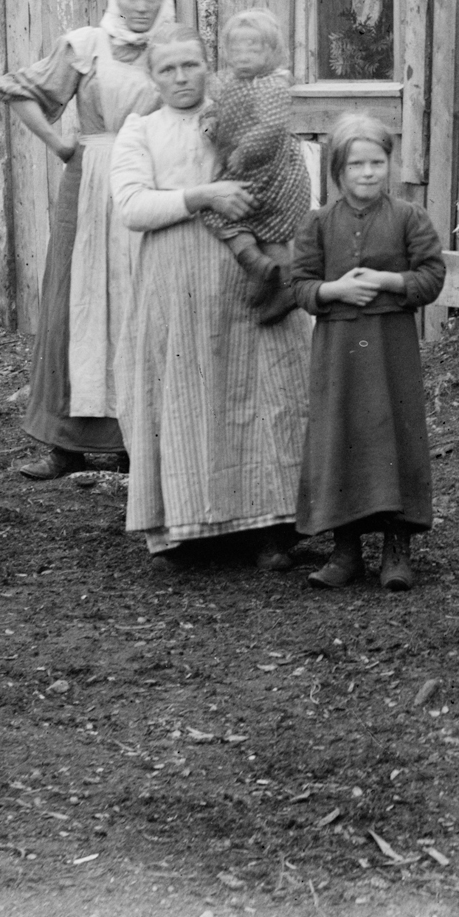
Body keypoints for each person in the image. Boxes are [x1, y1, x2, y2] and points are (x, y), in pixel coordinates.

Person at [110, 33, 313, 568]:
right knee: (188, 398)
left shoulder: (237, 113)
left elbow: (281, 167)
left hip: (247, 274)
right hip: (175, 278)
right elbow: (132, 207)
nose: (181, 78)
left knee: (264, 392)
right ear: (153, 78)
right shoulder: (142, 130)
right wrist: (202, 195)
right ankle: (192, 527)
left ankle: (272, 527)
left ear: (208, 67)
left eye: (191, 65)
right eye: (169, 69)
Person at [0, 0, 173, 481]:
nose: (141, 6)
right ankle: (63, 446)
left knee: (142, 303)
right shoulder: (86, 44)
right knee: (77, 303)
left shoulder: (172, 46)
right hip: (92, 181)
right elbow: (18, 90)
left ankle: (135, 446)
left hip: (150, 182)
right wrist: (60, 143)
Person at [286, 111, 446, 591]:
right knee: (341, 436)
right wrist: (334, 292)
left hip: (391, 348)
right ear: (338, 170)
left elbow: (432, 277)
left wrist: (387, 281)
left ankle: (397, 549)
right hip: (338, 349)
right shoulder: (317, 225)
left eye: (376, 162)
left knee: (394, 437)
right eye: (356, 165)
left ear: (389, 165)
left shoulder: (409, 218)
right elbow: (300, 286)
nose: (368, 173)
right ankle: (345, 549)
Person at [199, 9, 314, 319]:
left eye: (254, 47)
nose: (244, 54)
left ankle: (258, 265)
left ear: (271, 50)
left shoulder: (271, 85)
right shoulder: (228, 82)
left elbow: (270, 127)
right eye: (237, 47)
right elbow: (215, 108)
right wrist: (210, 121)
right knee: (262, 228)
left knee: (220, 210)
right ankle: (268, 271)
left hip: (272, 172)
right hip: (251, 169)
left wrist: (241, 153)